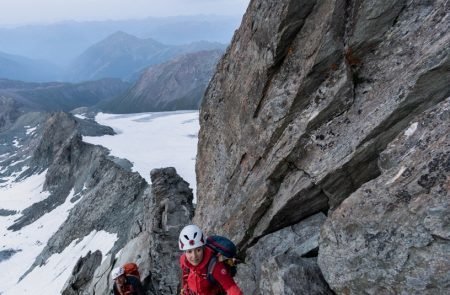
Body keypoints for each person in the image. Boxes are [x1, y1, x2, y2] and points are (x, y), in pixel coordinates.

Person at [179, 224, 243, 295]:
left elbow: (232, 289)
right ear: (184, 252)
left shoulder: (214, 266)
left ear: (203, 248)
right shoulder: (184, 261)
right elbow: (185, 277)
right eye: (189, 251)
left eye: (198, 250)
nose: (194, 256)